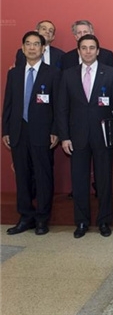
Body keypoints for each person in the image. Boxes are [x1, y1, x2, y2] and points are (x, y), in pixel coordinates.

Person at [57, 34, 113, 238]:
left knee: (104, 180)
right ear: (78, 51)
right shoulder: (68, 75)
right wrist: (64, 137)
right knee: (79, 181)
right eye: (84, 48)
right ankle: (81, 222)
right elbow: (62, 109)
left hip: (104, 135)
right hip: (76, 136)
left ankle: (104, 221)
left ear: (98, 51)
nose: (88, 51)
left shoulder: (111, 74)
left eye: (92, 48)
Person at [3, 31, 60, 235]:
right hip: (18, 131)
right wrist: (6, 130)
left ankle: (42, 219)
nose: (32, 47)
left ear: (43, 48)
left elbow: (59, 105)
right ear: (23, 47)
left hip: (43, 132)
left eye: (37, 44)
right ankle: (25, 216)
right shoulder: (14, 73)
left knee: (43, 176)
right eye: (28, 43)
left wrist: (55, 130)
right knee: (23, 177)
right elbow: (8, 104)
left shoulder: (53, 73)